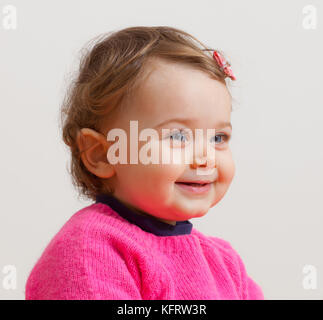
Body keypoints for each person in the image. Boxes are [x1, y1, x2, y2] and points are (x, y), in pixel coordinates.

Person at [25, 26, 264, 300]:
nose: (206, 157)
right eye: (177, 135)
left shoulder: (224, 263)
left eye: (218, 137)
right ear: (101, 154)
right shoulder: (90, 249)